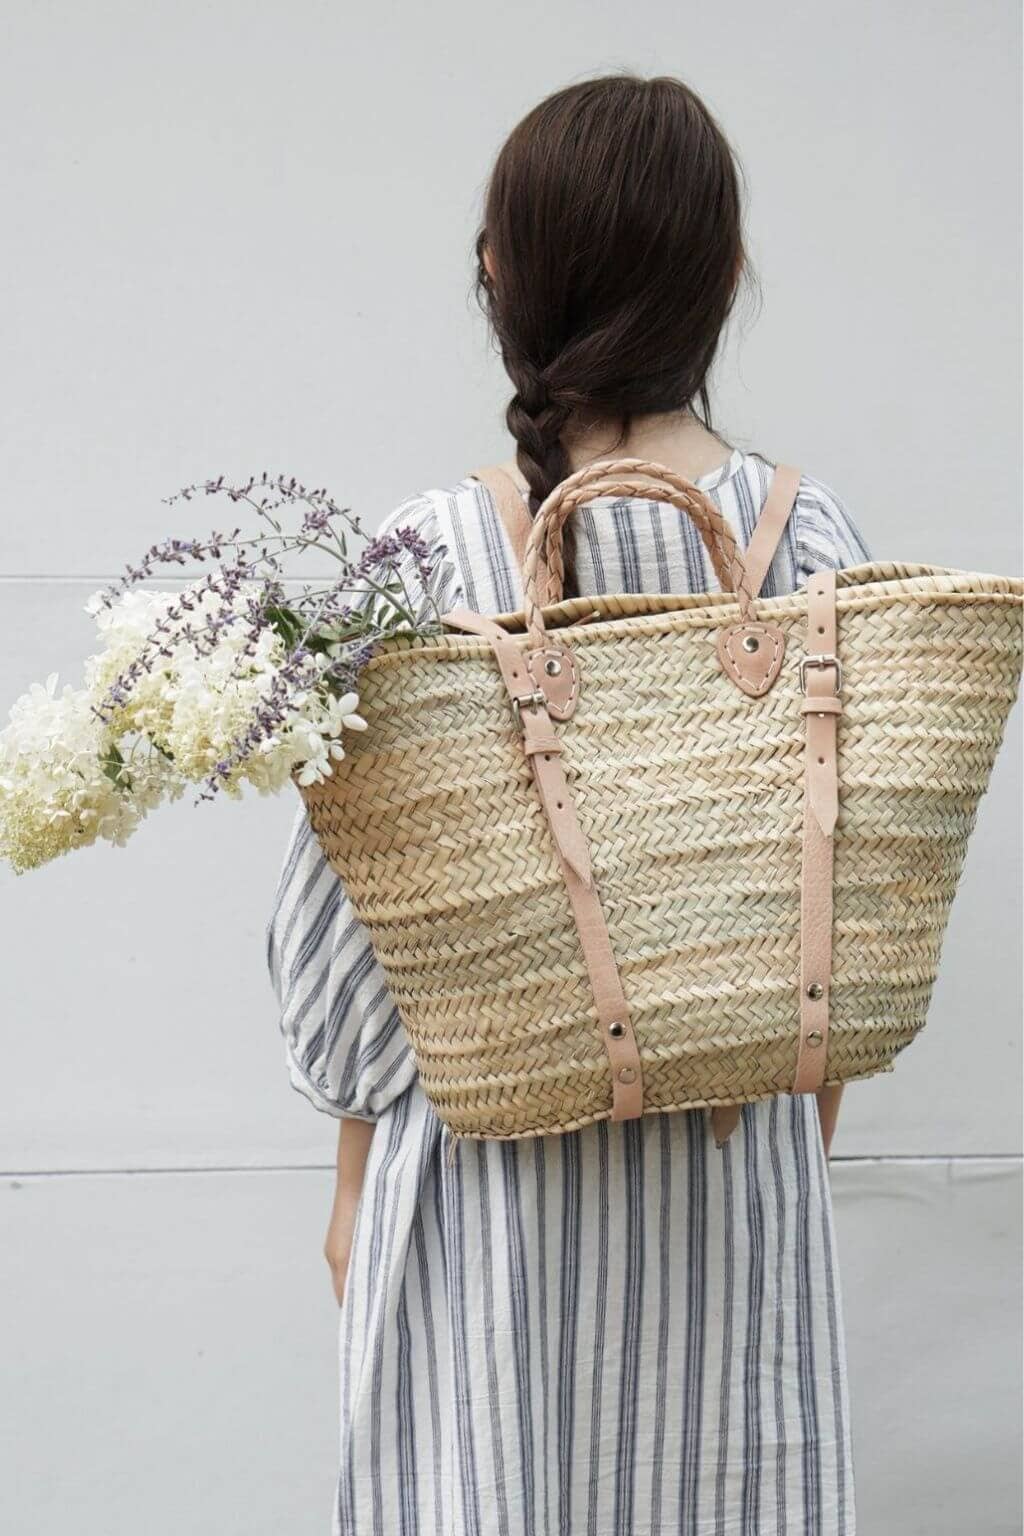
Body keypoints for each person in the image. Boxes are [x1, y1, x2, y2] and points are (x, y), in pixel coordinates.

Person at [267, 72, 870, 1536]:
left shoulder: (425, 561)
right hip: (733, 1211)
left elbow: (343, 970)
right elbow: (853, 923)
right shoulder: (813, 549)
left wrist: (351, 1185)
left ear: (501, 269)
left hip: (486, 1225)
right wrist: (776, 1126)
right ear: (723, 274)